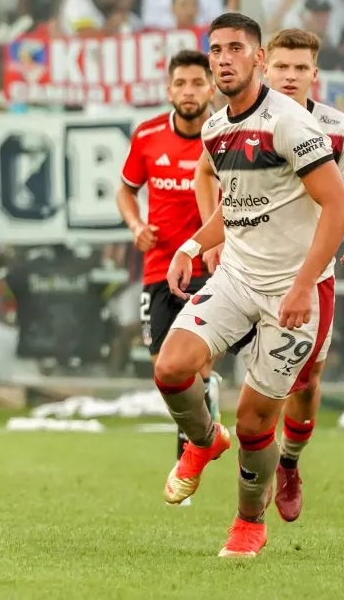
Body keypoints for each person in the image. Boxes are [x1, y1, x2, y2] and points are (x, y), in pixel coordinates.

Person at [156, 13, 344, 558]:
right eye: (216, 50)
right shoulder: (216, 128)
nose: (224, 59)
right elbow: (239, 205)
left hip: (296, 290)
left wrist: (303, 286)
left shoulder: (290, 124)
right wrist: (191, 246)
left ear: (258, 58)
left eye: (236, 49)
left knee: (254, 421)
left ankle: (248, 522)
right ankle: (203, 442)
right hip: (238, 277)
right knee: (171, 367)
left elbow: (338, 206)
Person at [192, 27, 344, 524]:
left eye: (301, 68)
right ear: (266, 66)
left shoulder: (335, 127)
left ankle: (288, 462)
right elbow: (207, 175)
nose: (291, 76)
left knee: (306, 383)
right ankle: (217, 447)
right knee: (202, 362)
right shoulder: (239, 121)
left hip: (307, 276)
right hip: (246, 271)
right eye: (283, 67)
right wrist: (210, 236)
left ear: (315, 74)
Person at [115, 48, 222, 501]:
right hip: (159, 269)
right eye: (181, 83)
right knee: (164, 370)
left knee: (193, 364)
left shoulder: (226, 135)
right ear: (169, 90)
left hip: (210, 268)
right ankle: (207, 421)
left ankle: (188, 458)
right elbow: (125, 190)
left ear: (211, 88)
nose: (189, 91)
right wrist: (136, 226)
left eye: (197, 83)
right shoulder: (148, 135)